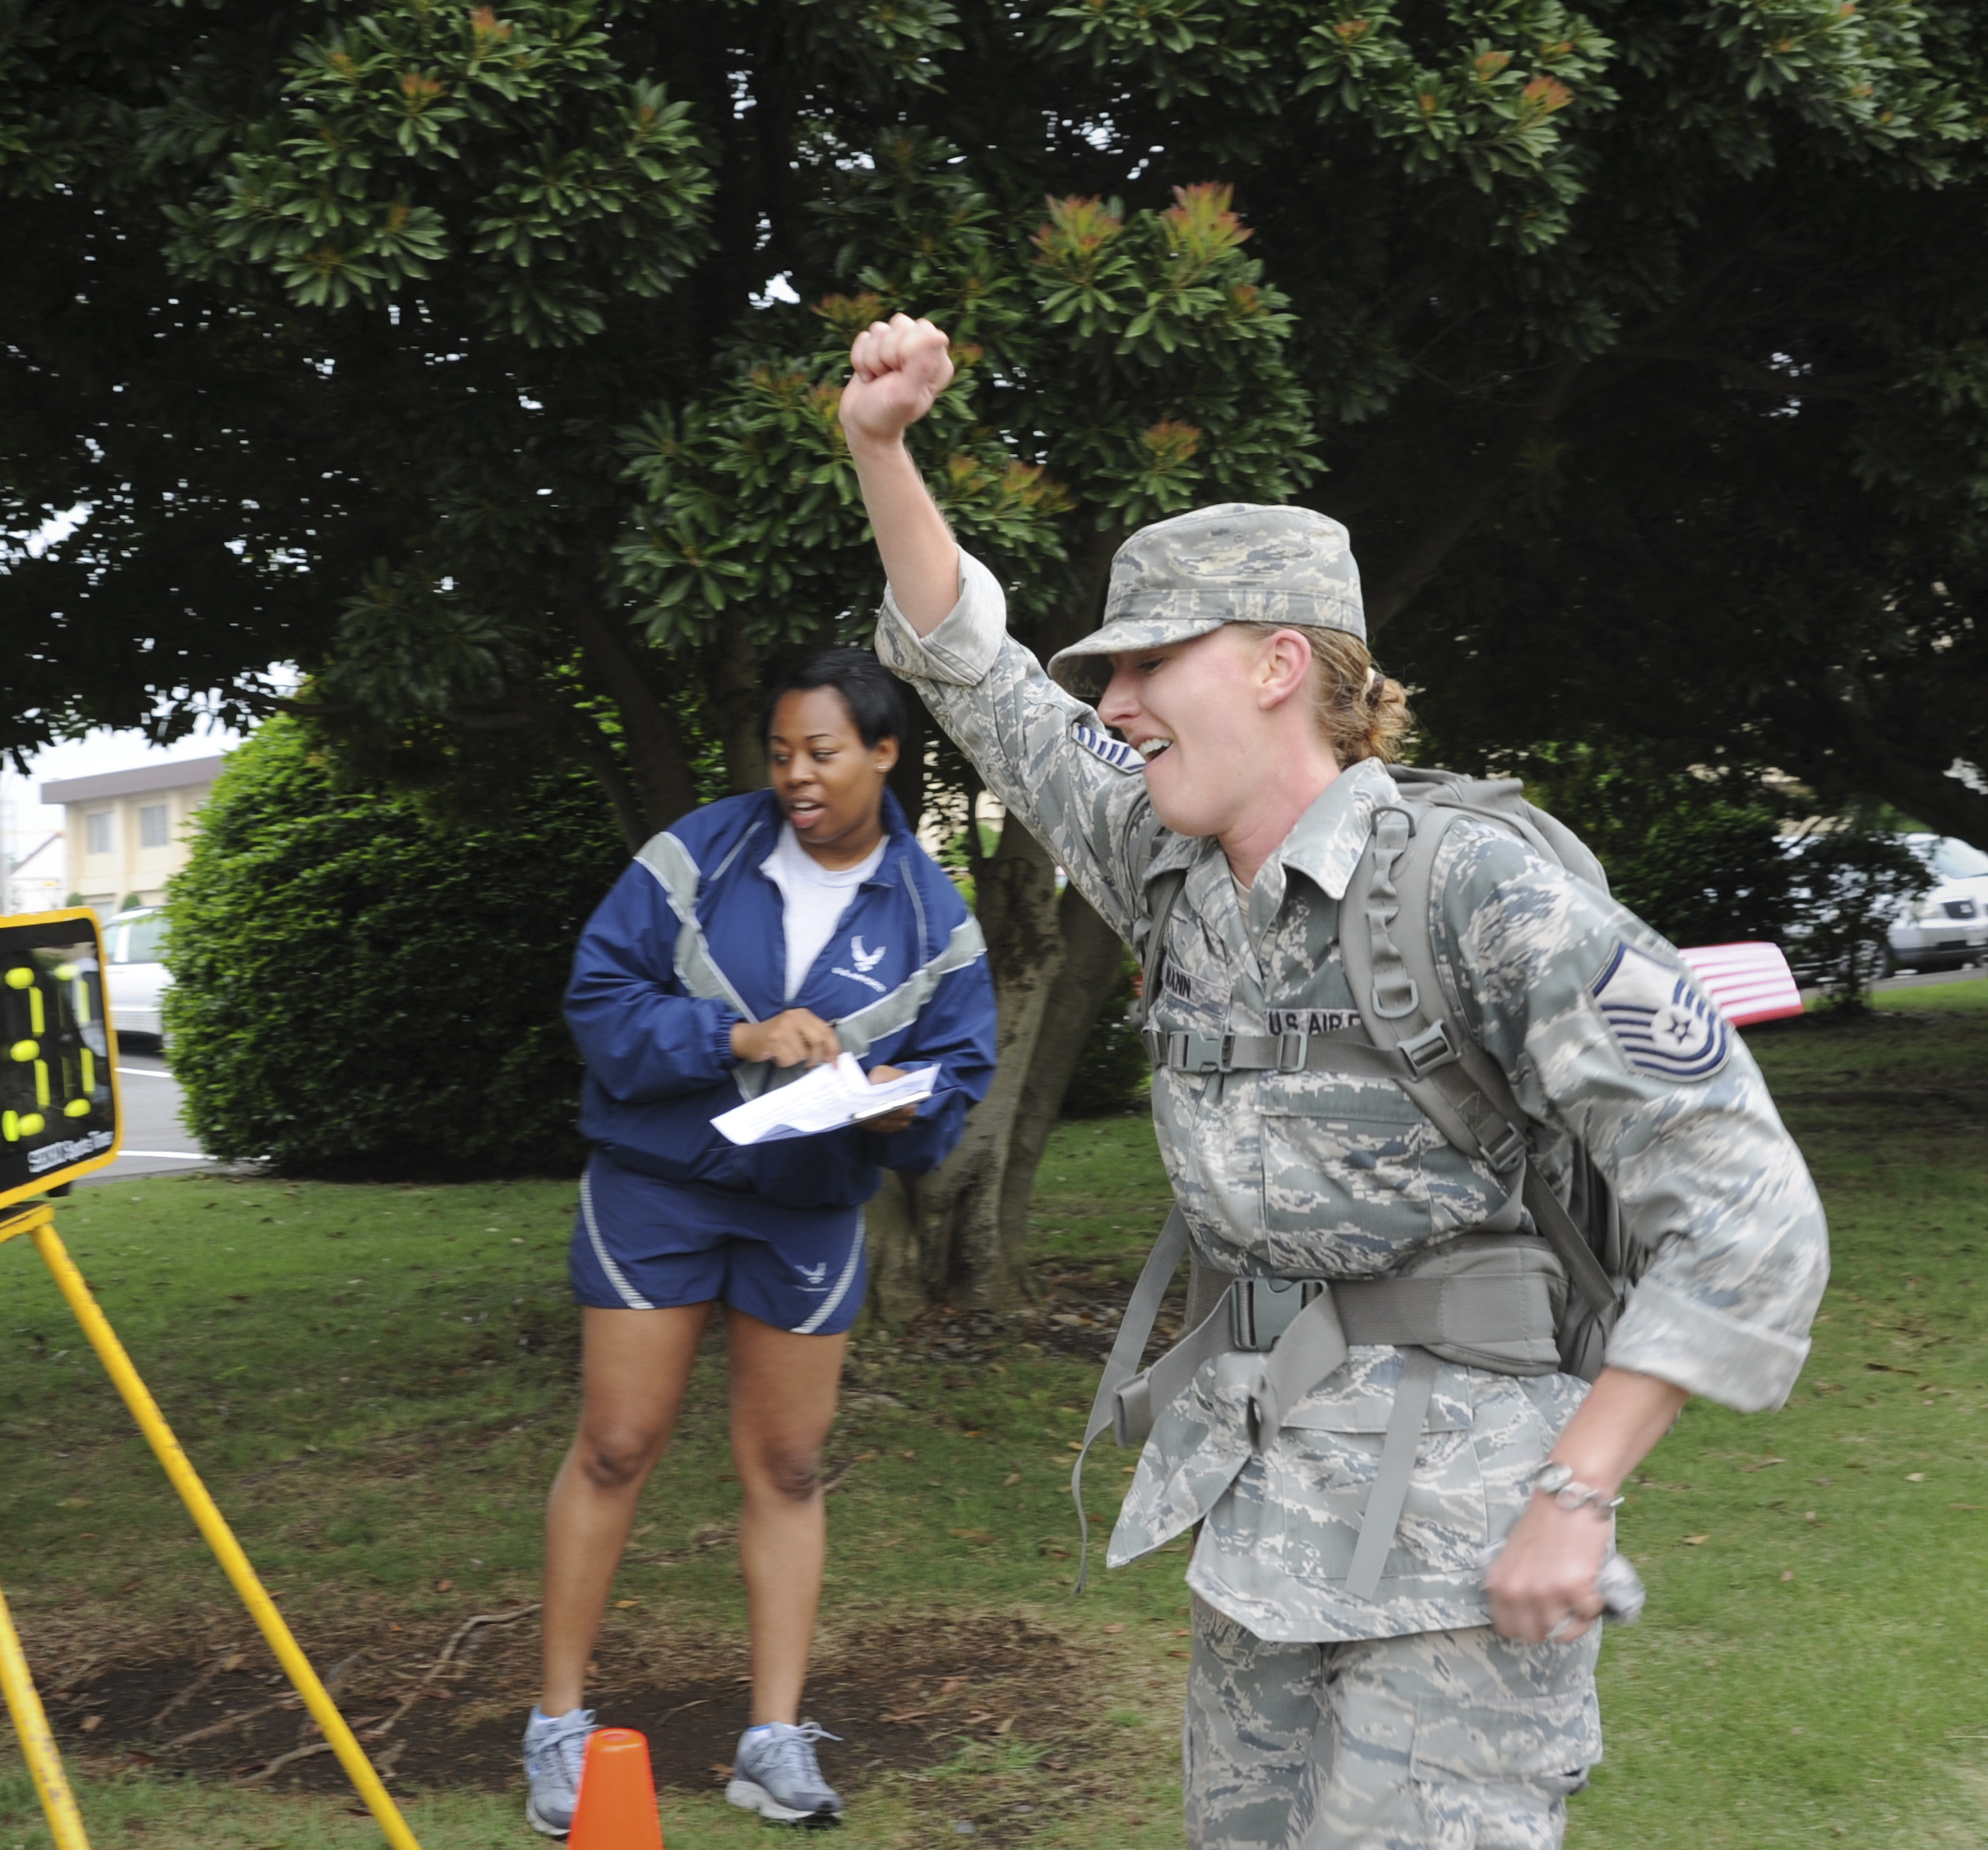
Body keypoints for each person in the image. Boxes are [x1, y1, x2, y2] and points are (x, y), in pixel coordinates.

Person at [839, 313, 1828, 1848]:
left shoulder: (1476, 893)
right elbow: (984, 683)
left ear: (1280, 664)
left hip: (1466, 1545)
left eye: (1152, 661)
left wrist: (1578, 1490)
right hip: (1260, 1510)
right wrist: (881, 451)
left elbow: (1748, 1208)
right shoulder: (1167, 858)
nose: (1114, 702)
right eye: (1114, 670)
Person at [525, 647, 998, 1837]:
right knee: (617, 1443)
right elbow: (597, 997)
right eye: (780, 751)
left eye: (821, 753)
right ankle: (557, 1726)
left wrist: (904, 1105)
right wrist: (735, 1033)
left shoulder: (934, 915)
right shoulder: (696, 853)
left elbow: (957, 1076)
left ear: (884, 754)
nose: (794, 774)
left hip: (804, 1207)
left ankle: (770, 1742)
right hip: (658, 1191)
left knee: (786, 1468)